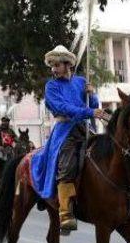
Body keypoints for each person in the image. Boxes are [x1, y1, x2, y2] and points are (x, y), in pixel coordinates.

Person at [31, 45, 105, 232]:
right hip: (65, 130)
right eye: (52, 66)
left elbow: (93, 105)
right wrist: (89, 111)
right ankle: (65, 212)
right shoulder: (51, 86)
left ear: (67, 65)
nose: (53, 69)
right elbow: (62, 107)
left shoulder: (81, 82)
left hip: (86, 128)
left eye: (57, 65)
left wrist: (91, 94)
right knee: (67, 165)